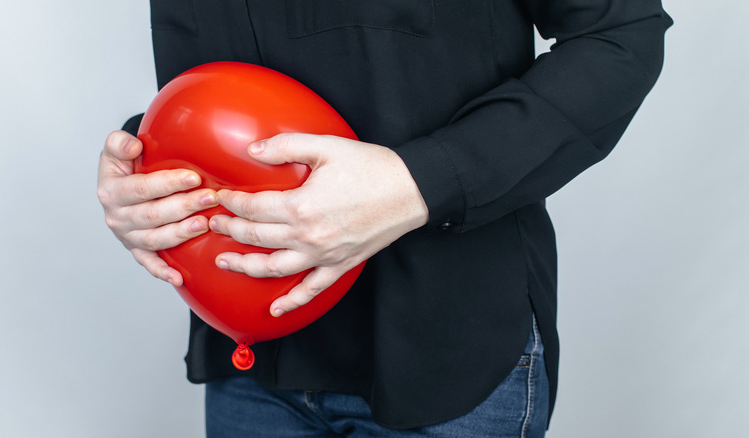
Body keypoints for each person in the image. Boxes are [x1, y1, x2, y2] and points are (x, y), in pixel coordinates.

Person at [98, 1, 671, 436]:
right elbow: (218, 86)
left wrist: (418, 182)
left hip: (449, 356)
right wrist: (142, 169)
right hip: (248, 368)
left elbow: (621, 32)